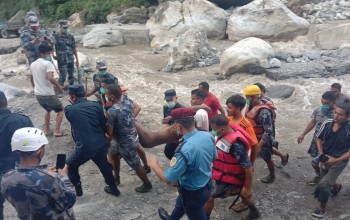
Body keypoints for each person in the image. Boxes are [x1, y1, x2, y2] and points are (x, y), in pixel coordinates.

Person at [148, 108, 217, 220]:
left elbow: (168, 179)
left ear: (179, 127)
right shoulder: (208, 136)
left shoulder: (183, 150)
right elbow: (214, 158)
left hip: (192, 193)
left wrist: (154, 164)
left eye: (174, 125)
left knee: (194, 212)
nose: (173, 127)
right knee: (180, 203)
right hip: (206, 184)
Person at [1, 127, 76, 219]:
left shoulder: (6, 178)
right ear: (39, 151)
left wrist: (44, 174)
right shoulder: (50, 179)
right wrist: (64, 177)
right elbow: (69, 201)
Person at [64, 84, 120, 197]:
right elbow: (103, 125)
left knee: (70, 166)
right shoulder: (97, 106)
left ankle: (78, 190)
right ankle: (114, 189)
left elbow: (75, 119)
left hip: (84, 147)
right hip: (100, 143)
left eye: (70, 96)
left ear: (73, 97)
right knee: (104, 165)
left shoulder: (69, 110)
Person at [204, 115, 260, 220]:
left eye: (215, 130)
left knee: (208, 197)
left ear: (223, 129)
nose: (213, 132)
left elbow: (248, 168)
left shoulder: (236, 146)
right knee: (238, 190)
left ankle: (205, 217)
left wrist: (248, 188)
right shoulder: (224, 132)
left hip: (231, 177)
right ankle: (254, 211)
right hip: (225, 173)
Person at [105, 84, 152, 193]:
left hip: (125, 142)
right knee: (113, 155)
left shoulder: (112, 111)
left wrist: (105, 139)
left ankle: (147, 184)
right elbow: (137, 107)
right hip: (132, 135)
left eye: (107, 95)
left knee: (135, 164)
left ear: (112, 97)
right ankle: (116, 178)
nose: (105, 96)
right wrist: (129, 120)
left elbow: (110, 134)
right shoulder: (127, 100)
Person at [311, 101, 350, 218]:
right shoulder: (327, 123)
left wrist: (335, 160)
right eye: (335, 112)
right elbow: (318, 138)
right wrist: (322, 154)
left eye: (340, 114)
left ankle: (322, 208)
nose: (336, 116)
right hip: (325, 158)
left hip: (340, 161)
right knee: (325, 178)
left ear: (348, 117)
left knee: (323, 184)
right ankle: (337, 186)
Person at [243, 85, 288, 183]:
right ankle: (283, 156)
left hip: (262, 138)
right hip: (253, 136)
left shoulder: (264, 111)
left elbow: (268, 131)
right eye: (246, 96)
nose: (246, 99)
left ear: (256, 97)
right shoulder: (250, 105)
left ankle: (272, 175)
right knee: (265, 151)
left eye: (248, 97)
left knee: (267, 157)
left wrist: (259, 145)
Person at [0, 91, 33, 220]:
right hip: (19, 173)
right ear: (6, 102)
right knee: (28, 210)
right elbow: (34, 148)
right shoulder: (22, 120)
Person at [297, 91, 336, 185]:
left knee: (322, 164)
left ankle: (333, 185)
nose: (324, 105)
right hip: (317, 140)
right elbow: (313, 122)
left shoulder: (338, 114)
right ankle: (319, 177)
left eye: (326, 103)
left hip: (329, 144)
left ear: (333, 102)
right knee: (317, 163)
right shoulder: (318, 110)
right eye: (322, 102)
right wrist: (303, 134)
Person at [30, 43, 65, 137]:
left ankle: (46, 130)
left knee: (48, 109)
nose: (49, 55)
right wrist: (59, 86)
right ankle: (57, 131)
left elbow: (31, 78)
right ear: (43, 53)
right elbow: (50, 78)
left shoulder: (33, 64)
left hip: (38, 94)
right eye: (48, 53)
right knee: (60, 110)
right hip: (48, 94)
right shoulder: (47, 64)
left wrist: (35, 88)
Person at [254, 82, 288, 164]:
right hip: (258, 126)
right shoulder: (254, 100)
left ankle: (283, 156)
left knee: (267, 146)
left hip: (266, 126)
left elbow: (271, 115)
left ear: (262, 91)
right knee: (264, 145)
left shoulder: (267, 101)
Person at [226, 94, 259, 165]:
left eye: (230, 108)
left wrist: (251, 163)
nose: (227, 109)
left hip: (241, 154)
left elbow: (255, 145)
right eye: (227, 107)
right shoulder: (228, 119)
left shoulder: (245, 125)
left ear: (238, 109)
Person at [53, 20, 79, 86]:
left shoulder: (70, 36)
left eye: (66, 28)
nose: (66, 29)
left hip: (70, 59)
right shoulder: (56, 36)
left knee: (71, 75)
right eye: (64, 28)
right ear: (60, 27)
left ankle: (72, 89)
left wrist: (77, 59)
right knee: (63, 75)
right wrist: (53, 55)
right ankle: (59, 89)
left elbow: (74, 48)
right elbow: (52, 45)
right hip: (61, 60)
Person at [162, 89, 185, 160]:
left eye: (171, 100)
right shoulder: (166, 108)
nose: (169, 102)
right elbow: (167, 123)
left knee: (182, 152)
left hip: (182, 133)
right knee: (167, 151)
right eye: (167, 101)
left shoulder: (182, 109)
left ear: (176, 98)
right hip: (172, 132)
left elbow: (186, 125)